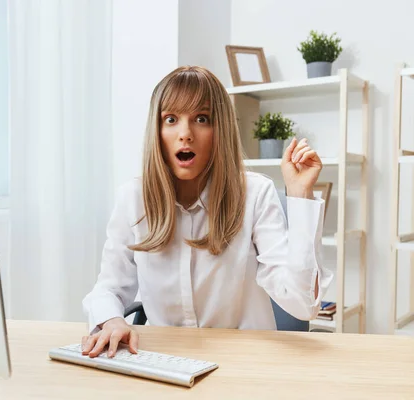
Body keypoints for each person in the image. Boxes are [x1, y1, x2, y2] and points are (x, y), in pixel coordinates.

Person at [81, 66, 332, 359]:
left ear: (220, 129)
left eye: (201, 119)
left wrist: (300, 194)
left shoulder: (254, 194)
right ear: (157, 130)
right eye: (171, 119)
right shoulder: (133, 199)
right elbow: (107, 288)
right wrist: (111, 320)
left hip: (244, 362)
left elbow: (303, 305)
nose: (185, 134)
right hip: (167, 360)